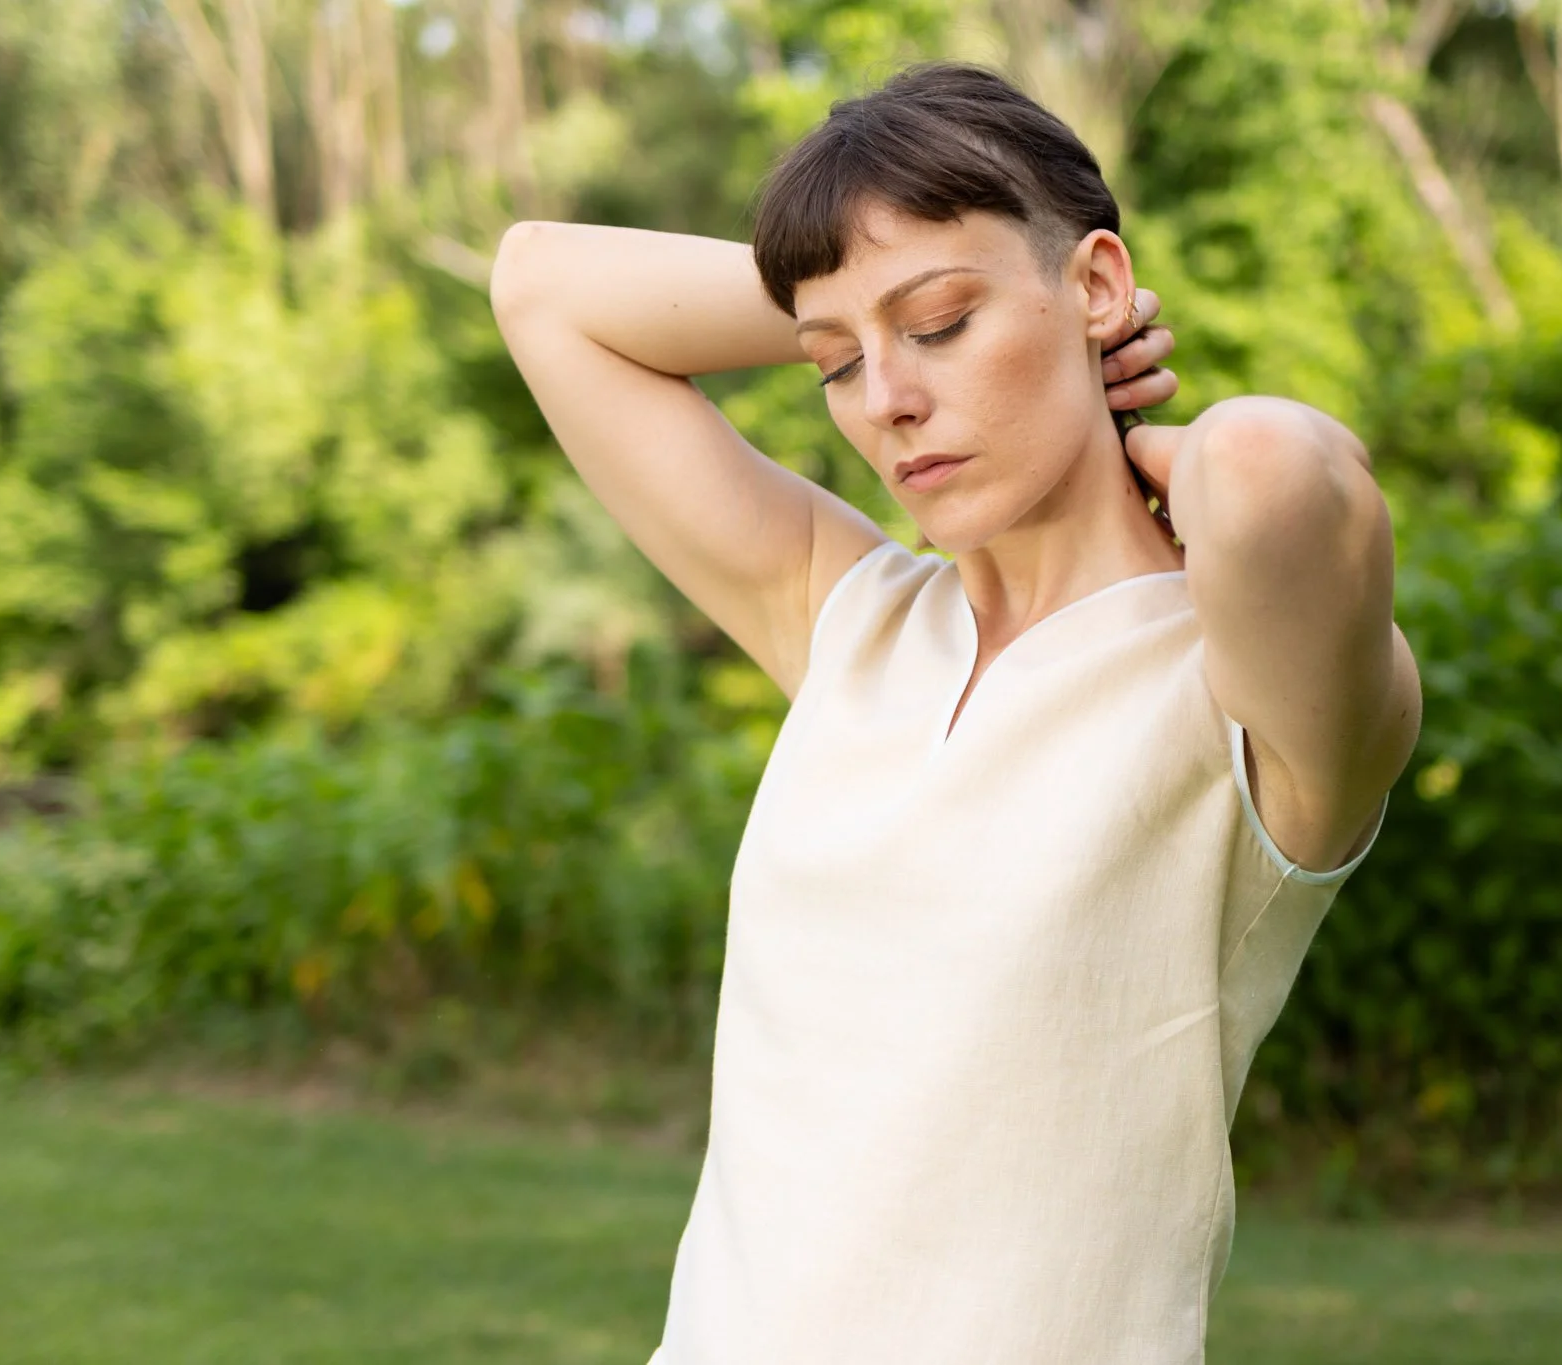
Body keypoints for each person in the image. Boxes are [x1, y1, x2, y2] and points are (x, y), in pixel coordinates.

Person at [490, 59, 1420, 1365]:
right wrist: (854, 293)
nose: (888, 400)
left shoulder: (1239, 700)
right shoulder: (846, 620)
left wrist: (1147, 432)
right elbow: (540, 282)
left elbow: (1272, 471)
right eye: (838, 365)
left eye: (939, 325)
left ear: (1099, 285)